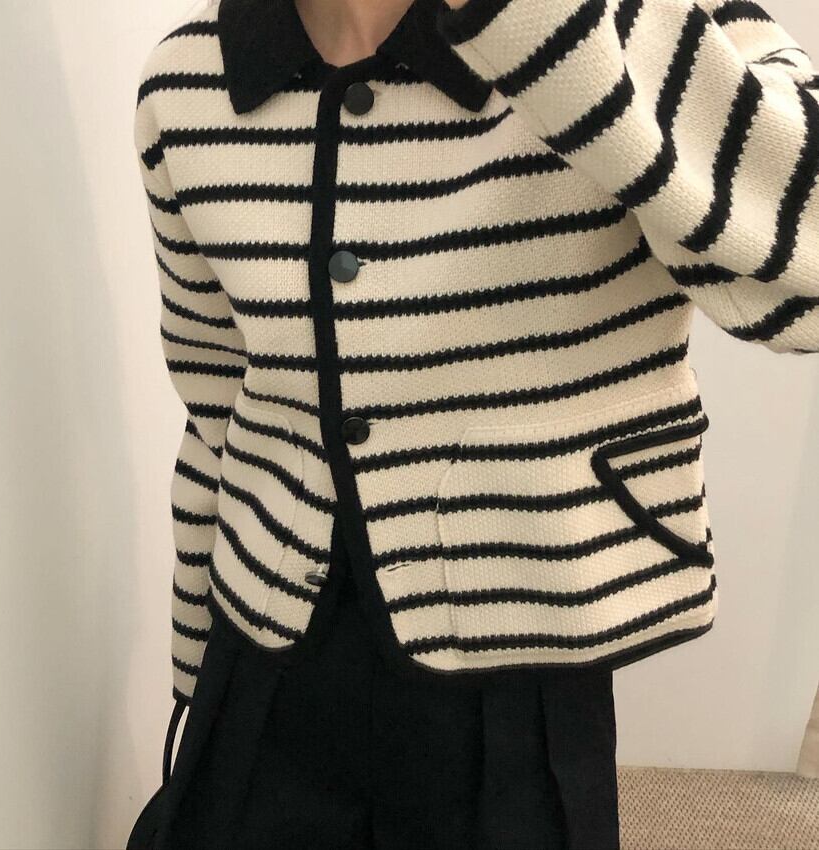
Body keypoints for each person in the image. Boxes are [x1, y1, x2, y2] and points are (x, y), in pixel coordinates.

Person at [131, 0, 819, 847]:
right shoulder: (187, 84)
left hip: (525, 665)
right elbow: (217, 410)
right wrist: (192, 672)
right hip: (264, 655)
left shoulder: (619, 19)